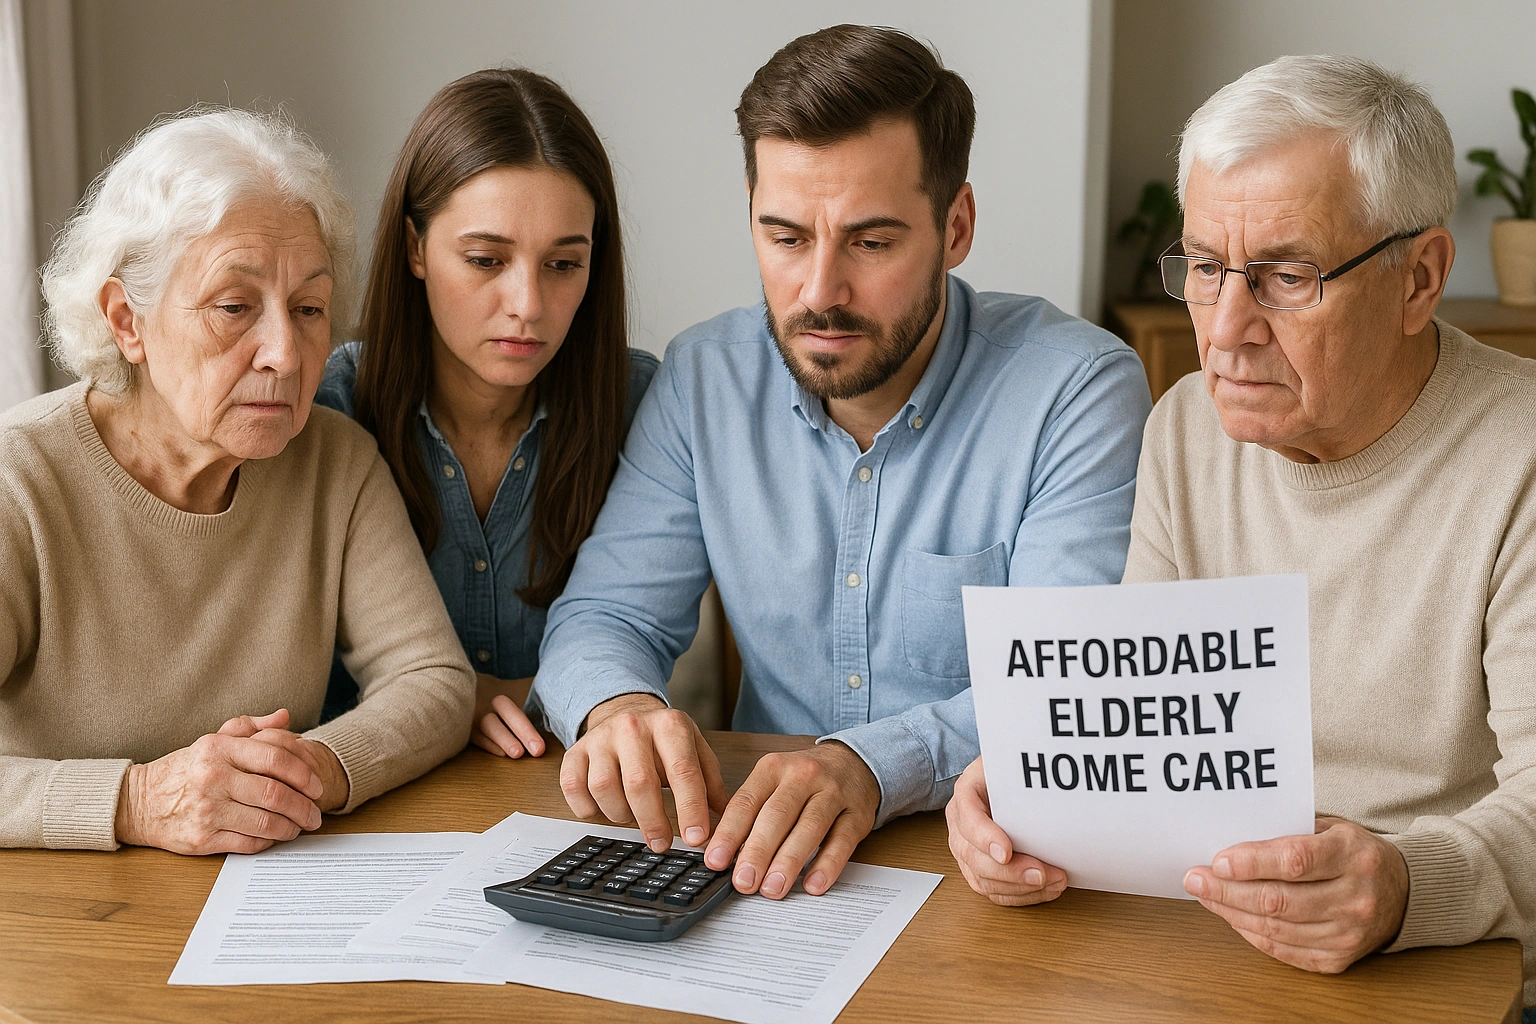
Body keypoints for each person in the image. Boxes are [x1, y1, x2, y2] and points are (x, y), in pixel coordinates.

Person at [945, 54, 1536, 1007]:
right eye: (1207, 268)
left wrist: (1405, 888)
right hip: (1209, 945)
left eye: (1286, 277)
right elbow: (1139, 720)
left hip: (1449, 971)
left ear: (1419, 278)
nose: (1225, 330)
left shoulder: (1522, 460)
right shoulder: (1186, 426)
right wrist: (1024, 793)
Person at [532, 24, 1151, 901]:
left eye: (870, 242)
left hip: (984, 868)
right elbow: (600, 618)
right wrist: (619, 708)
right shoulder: (704, 378)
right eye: (785, 239)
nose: (819, 291)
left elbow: (1063, 696)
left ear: (956, 226)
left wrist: (869, 764)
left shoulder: (1075, 390)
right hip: (754, 866)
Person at [1, 108, 475, 853]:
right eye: (235, 306)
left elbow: (433, 680)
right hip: (55, 924)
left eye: (310, 308)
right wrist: (140, 801)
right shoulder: (19, 482)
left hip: (262, 904)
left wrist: (305, 770)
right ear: (128, 320)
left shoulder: (335, 462)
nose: (285, 354)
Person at [315, 69, 657, 759]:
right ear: (415, 248)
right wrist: (442, 697)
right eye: (484, 259)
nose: (527, 303)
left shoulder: (640, 404)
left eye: (563, 264)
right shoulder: (333, 405)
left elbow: (633, 645)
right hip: (371, 795)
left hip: (573, 794)